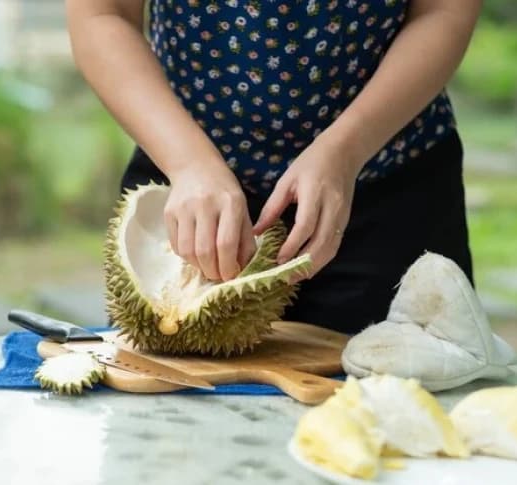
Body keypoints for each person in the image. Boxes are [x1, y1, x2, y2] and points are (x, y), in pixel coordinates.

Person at [67, 0, 482, 334]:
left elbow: (443, 11)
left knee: (402, 425)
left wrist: (346, 149)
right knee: (166, 426)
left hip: (388, 186)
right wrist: (189, 163)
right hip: (184, 194)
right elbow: (102, 15)